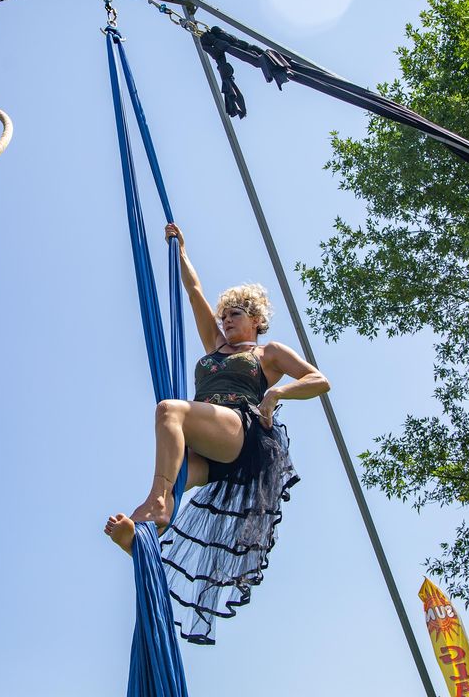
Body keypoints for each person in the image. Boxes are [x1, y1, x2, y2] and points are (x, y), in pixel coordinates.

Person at [105, 222, 330, 643]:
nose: (225, 321)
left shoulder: (268, 352)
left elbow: (319, 380)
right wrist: (182, 252)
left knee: (169, 410)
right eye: (224, 315)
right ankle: (143, 539)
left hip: (239, 431)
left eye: (235, 315)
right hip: (210, 446)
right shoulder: (215, 346)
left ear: (256, 320)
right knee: (180, 470)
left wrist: (276, 394)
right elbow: (194, 294)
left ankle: (156, 505)